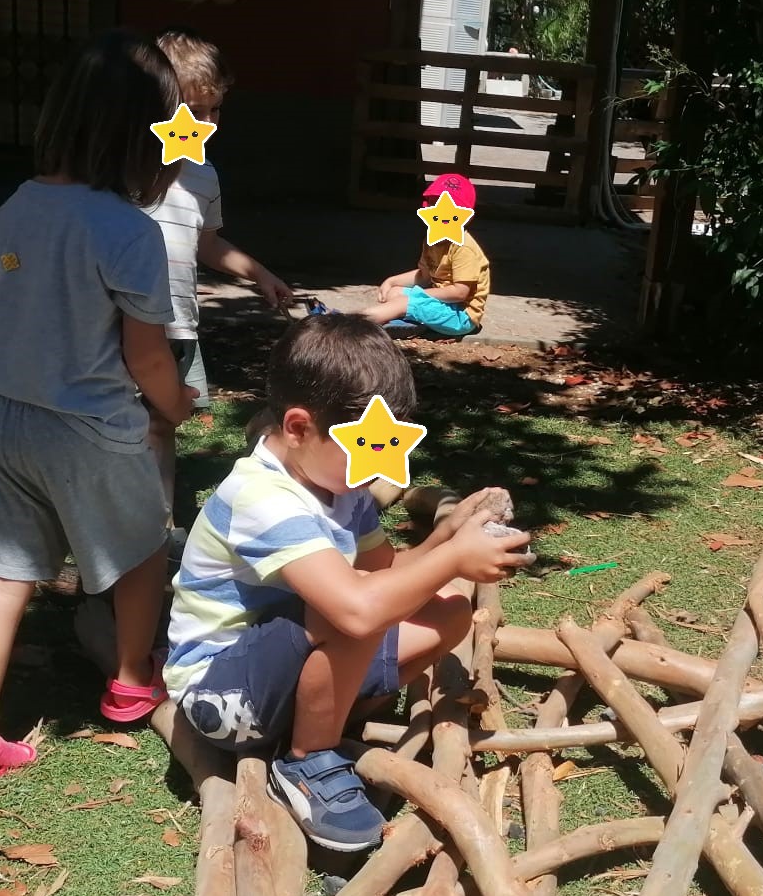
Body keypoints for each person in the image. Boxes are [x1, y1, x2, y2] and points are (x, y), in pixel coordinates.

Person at [0, 31, 198, 793]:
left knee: (4, 579)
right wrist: (178, 405)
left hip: (6, 421)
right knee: (142, 550)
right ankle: (133, 680)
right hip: (92, 429)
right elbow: (146, 359)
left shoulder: (14, 208)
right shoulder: (129, 232)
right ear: (147, 136)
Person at [164, 315, 529, 851]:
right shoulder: (263, 497)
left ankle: (318, 718)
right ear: (297, 428)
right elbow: (358, 608)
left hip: (282, 665)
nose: (374, 465)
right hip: (221, 697)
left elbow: (385, 574)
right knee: (353, 611)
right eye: (364, 445)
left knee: (449, 611)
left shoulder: (341, 487)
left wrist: (445, 538)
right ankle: (307, 763)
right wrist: (453, 557)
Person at [144, 28, 294, 517]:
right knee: (114, 429)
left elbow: (207, 243)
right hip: (122, 322)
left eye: (215, 110)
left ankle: (159, 526)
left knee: (162, 425)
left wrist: (260, 274)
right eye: (196, 110)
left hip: (177, 324)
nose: (209, 122)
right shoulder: (126, 171)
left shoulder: (204, 175)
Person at [362, 171, 490, 339]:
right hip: (443, 305)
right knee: (394, 293)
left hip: (461, 316)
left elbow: (460, 293)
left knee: (404, 302)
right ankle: (408, 324)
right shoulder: (432, 240)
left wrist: (419, 295)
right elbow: (424, 275)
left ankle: (355, 324)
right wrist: (391, 281)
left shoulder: (464, 247)